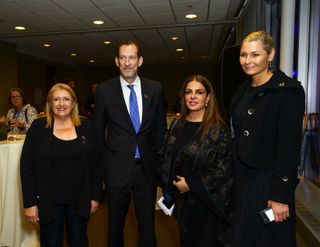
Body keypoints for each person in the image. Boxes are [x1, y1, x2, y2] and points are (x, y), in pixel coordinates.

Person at [229, 31, 305, 247]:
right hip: (243, 178)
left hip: (268, 181)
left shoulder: (288, 91)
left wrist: (280, 195)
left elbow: (289, 147)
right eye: (243, 55)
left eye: (255, 55)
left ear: (270, 55)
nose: (247, 61)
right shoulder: (242, 90)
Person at [94, 40, 167, 247]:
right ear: (117, 61)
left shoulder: (155, 89)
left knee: (147, 225)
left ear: (140, 60)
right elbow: (98, 134)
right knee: (115, 226)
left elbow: (160, 131)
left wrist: (161, 166)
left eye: (132, 57)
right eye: (123, 58)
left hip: (146, 170)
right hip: (116, 170)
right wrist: (101, 173)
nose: (127, 63)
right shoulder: (104, 90)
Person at [20, 83, 103, 247]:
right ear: (49, 103)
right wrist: (29, 203)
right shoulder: (38, 128)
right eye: (56, 99)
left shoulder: (87, 127)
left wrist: (95, 196)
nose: (61, 104)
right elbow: (26, 167)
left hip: (79, 200)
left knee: (79, 241)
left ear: (73, 103)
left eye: (66, 99)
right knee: (50, 242)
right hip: (48, 200)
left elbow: (97, 164)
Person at [158, 75, 233, 246]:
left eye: (199, 92)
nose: (192, 96)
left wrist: (191, 184)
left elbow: (223, 169)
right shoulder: (178, 124)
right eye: (188, 92)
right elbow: (166, 154)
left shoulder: (218, 128)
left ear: (207, 97)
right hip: (183, 203)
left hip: (208, 205)